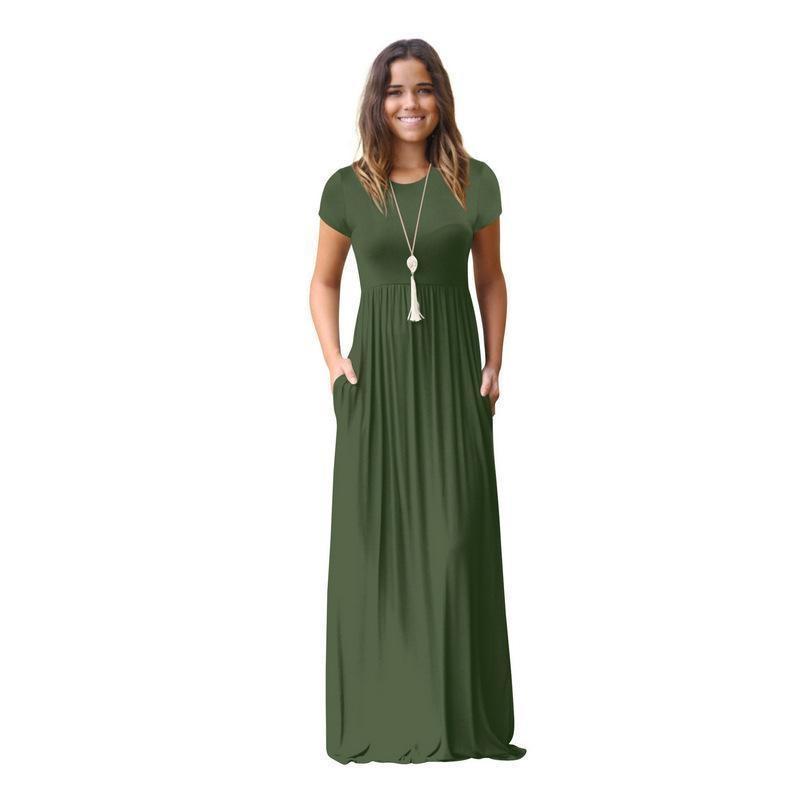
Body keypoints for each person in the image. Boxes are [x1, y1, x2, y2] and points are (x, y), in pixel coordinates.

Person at [309, 38, 526, 765]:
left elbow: (490, 278)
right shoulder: (347, 188)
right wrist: (335, 363)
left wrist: (494, 360)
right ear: (378, 101)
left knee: (454, 542)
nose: (411, 103)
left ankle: (458, 717)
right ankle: (385, 712)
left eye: (424, 89)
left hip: (452, 376)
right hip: (374, 381)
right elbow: (323, 282)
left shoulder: (474, 182)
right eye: (397, 90)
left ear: (441, 99)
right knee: (374, 548)